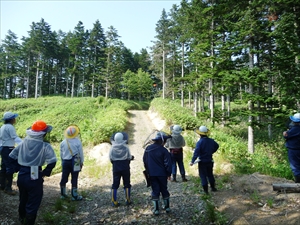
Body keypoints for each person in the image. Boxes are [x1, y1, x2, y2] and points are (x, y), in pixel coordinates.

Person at [7, 120, 57, 225]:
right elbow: (52, 161)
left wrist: (17, 167)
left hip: (22, 174)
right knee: (33, 201)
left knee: (23, 198)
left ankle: (22, 218)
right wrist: (45, 172)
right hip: (35, 174)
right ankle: (29, 222)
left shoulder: (23, 143)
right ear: (43, 133)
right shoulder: (45, 146)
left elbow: (11, 156)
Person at [143, 131, 172, 215]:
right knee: (164, 189)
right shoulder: (164, 150)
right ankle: (167, 208)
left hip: (151, 174)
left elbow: (145, 161)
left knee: (155, 190)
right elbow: (168, 163)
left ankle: (156, 210)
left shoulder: (148, 149)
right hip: (162, 174)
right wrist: (169, 174)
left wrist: (148, 170)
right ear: (162, 141)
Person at [190, 126, 219, 194]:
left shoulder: (200, 142)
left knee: (203, 176)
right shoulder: (211, 141)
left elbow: (196, 152)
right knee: (210, 174)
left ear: (200, 134)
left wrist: (192, 161)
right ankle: (213, 188)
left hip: (202, 161)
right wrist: (212, 151)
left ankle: (206, 191)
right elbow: (217, 146)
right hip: (210, 160)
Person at [59, 125, 84, 201]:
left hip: (65, 161)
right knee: (75, 177)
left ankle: (63, 194)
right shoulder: (78, 141)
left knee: (64, 176)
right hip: (76, 161)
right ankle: (74, 195)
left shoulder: (63, 142)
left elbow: (61, 154)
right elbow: (81, 153)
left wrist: (62, 161)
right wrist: (81, 162)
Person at [0, 111, 22, 195]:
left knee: (4, 167)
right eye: (14, 118)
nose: (15, 119)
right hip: (9, 148)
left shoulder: (2, 127)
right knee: (10, 167)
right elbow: (15, 137)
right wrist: (24, 144)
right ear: (11, 119)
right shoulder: (10, 127)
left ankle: (2, 185)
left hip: (3, 148)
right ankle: (8, 187)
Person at [109, 132, 134, 207]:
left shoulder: (112, 148)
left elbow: (110, 158)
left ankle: (114, 201)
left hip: (116, 167)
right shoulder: (126, 147)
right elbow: (129, 157)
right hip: (125, 167)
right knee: (127, 183)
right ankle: (128, 199)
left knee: (115, 184)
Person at [283, 113, 300, 183]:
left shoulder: (295, 129)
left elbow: (286, 135)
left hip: (293, 150)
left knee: (295, 166)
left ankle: (298, 182)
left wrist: (285, 133)